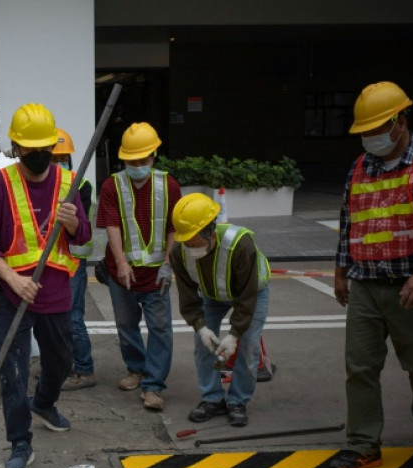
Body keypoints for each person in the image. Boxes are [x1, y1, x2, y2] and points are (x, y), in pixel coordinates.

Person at [330, 81, 413, 468]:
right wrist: (340, 271)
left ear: (400, 122)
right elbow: (349, 221)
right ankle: (363, 443)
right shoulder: (361, 166)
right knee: (360, 367)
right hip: (366, 284)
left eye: (375, 130)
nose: (370, 139)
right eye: (364, 132)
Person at [0, 103, 91, 468]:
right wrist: (12, 279)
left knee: (61, 362)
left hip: (56, 293)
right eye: (32, 149)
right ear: (16, 146)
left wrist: (74, 225)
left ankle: (44, 402)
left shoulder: (69, 183)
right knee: (14, 371)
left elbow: (85, 240)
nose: (40, 156)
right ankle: (20, 443)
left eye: (46, 148)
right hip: (13, 295)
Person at [97, 122, 180, 411]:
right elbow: (111, 224)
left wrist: (168, 261)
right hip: (123, 273)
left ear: (153, 156)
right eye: (132, 161)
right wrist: (120, 262)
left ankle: (154, 386)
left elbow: (174, 227)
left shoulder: (168, 185)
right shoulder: (112, 186)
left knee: (160, 328)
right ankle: (136, 369)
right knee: (126, 324)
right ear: (123, 159)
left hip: (157, 273)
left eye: (143, 161)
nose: (138, 166)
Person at [169, 193, 271, 427]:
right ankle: (212, 398)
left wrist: (235, 334)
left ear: (211, 233)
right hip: (212, 295)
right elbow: (187, 298)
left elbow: (247, 297)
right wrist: (201, 327)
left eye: (194, 243)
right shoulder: (179, 252)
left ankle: (238, 401)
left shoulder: (240, 244)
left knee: (247, 346)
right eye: (185, 242)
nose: (189, 248)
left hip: (251, 292)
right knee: (204, 345)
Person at [53, 129, 96, 391]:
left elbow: (78, 223)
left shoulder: (80, 185)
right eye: (54, 158)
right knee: (56, 318)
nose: (59, 162)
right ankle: (63, 367)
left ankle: (84, 369)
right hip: (55, 261)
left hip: (74, 260)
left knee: (73, 317)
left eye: (63, 157)